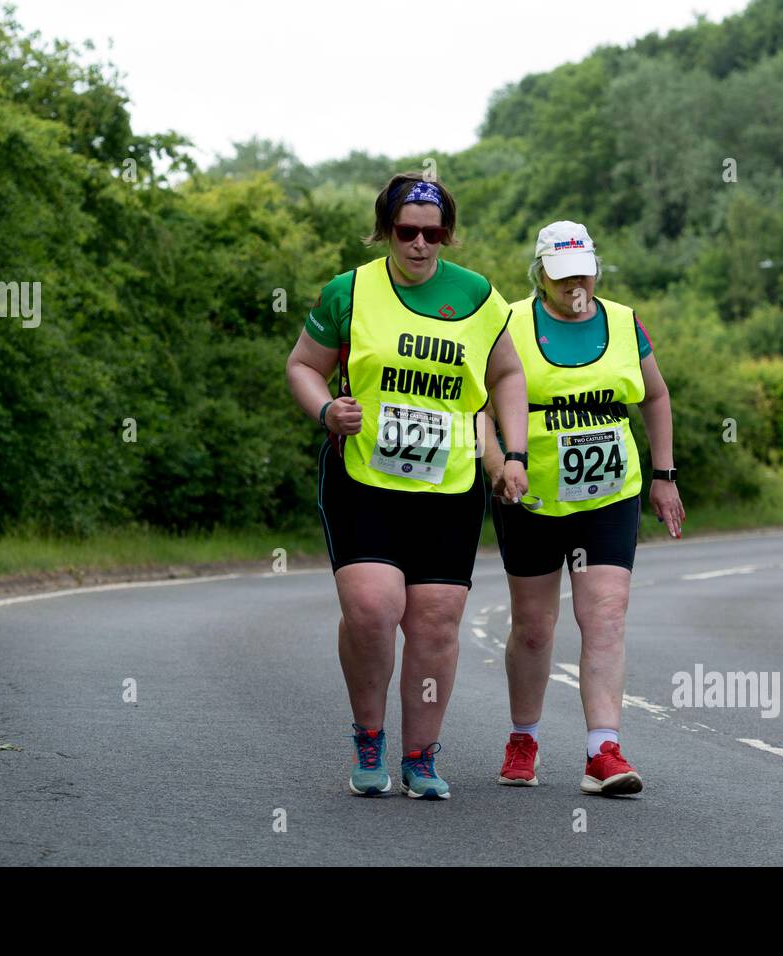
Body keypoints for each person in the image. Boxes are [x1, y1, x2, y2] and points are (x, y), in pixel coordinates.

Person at [285, 173, 529, 799]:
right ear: (386, 231)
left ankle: (421, 756)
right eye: (407, 231)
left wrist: (513, 453)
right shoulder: (350, 291)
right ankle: (370, 738)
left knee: (436, 622)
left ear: (446, 234)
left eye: (433, 233)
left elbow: (506, 375)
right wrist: (324, 410)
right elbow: (304, 366)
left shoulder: (478, 296)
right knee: (372, 608)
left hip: (449, 485)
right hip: (364, 478)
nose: (421, 244)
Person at [477, 220, 684, 796]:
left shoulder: (622, 320)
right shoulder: (509, 323)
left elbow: (657, 395)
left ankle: (603, 752)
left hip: (608, 497)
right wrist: (497, 463)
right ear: (540, 274)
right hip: (531, 496)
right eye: (562, 274)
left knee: (606, 617)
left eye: (583, 272)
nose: (575, 284)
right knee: (536, 629)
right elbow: (479, 404)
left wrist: (664, 476)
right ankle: (524, 738)